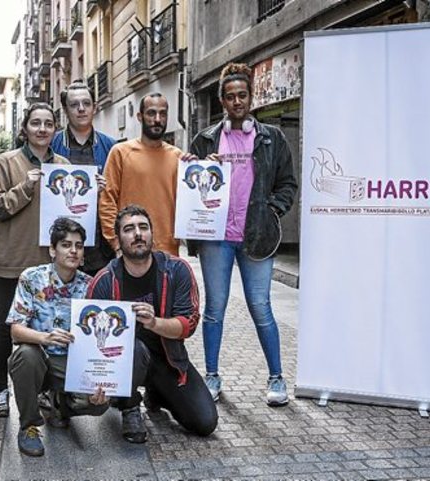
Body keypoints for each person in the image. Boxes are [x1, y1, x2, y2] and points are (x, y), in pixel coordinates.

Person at [188, 62, 298, 405]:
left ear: (252, 97)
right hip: (216, 237)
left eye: (242, 95)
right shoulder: (206, 139)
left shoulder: (271, 138)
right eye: (230, 96)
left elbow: (287, 184)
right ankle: (212, 376)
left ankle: (277, 378)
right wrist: (195, 166)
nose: (237, 101)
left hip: (257, 236)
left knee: (261, 307)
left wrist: (271, 211)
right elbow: (190, 184)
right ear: (222, 100)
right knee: (214, 309)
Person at [88, 204, 218, 443]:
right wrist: (96, 384)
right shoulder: (104, 281)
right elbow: (90, 343)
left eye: (143, 227)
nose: (138, 234)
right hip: (124, 362)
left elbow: (188, 324)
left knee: (205, 422)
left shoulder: (176, 270)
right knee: (135, 348)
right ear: (118, 239)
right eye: (129, 229)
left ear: (151, 233)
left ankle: (157, 392)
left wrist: (154, 322)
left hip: (168, 359)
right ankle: (129, 405)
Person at [0, 103, 73, 418]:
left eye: (48, 123)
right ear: (25, 128)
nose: (42, 129)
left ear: (55, 129)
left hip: (49, 265)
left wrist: (93, 193)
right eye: (35, 123)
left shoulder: (63, 165)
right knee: (6, 326)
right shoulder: (5, 162)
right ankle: (1, 390)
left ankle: (43, 391)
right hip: (12, 259)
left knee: (48, 326)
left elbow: (73, 216)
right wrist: (26, 186)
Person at [7, 217, 110, 457]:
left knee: (100, 404)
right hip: (40, 359)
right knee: (25, 355)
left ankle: (59, 405)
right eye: (66, 245)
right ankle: (29, 426)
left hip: (74, 363)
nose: (73, 251)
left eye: (78, 246)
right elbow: (15, 330)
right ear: (52, 250)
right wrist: (45, 338)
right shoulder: (31, 278)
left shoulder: (91, 285)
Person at [99, 93, 182, 257]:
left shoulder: (178, 157)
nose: (157, 119)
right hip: (130, 249)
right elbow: (107, 200)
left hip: (168, 251)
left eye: (162, 113)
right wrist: (116, 243)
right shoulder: (120, 152)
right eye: (151, 113)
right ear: (139, 116)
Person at [51, 80, 116, 276]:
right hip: (60, 247)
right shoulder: (51, 145)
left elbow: (120, 193)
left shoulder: (111, 146)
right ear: (65, 109)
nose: (81, 109)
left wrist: (106, 189)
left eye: (86, 103)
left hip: (100, 248)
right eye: (74, 104)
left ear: (94, 107)